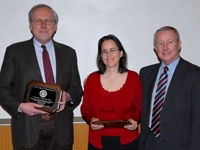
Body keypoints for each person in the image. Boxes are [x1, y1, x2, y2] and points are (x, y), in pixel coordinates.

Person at [0, 4, 83, 150]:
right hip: (27, 129)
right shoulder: (14, 52)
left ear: (55, 26)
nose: (43, 25)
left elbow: (77, 89)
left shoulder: (69, 53)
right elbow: (2, 89)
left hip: (61, 130)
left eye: (48, 21)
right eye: (38, 21)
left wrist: (68, 96)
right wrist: (20, 107)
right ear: (30, 26)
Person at [138, 26, 200, 150]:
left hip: (180, 145)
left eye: (170, 42)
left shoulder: (194, 74)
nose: (165, 47)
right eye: (160, 43)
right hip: (148, 143)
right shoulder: (146, 73)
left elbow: (197, 119)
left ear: (179, 44)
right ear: (155, 48)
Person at [81, 34, 142, 150]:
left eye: (112, 50)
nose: (108, 55)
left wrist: (135, 119)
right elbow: (85, 108)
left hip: (128, 141)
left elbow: (139, 106)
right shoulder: (92, 79)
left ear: (121, 53)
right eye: (104, 51)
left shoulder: (134, 78)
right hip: (97, 141)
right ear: (101, 56)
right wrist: (91, 119)